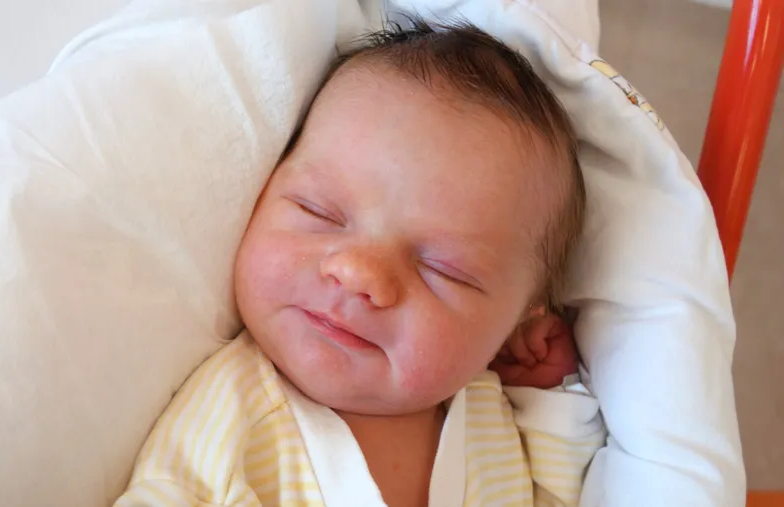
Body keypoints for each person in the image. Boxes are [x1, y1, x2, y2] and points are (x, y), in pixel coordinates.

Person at [115, 20, 605, 507]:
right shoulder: (231, 416)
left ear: (519, 318)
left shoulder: (489, 414)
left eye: (442, 270)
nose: (357, 272)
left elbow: (572, 490)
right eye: (318, 212)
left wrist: (548, 397)